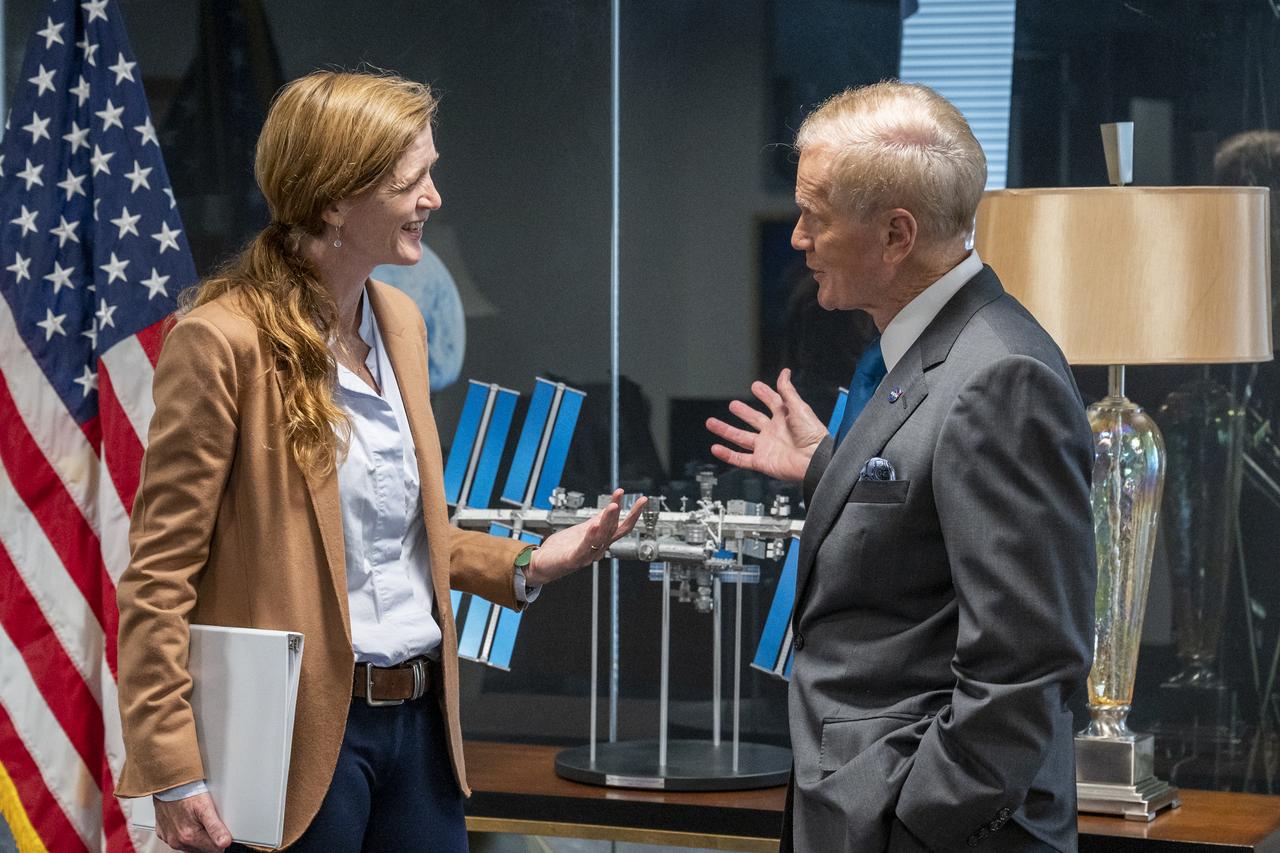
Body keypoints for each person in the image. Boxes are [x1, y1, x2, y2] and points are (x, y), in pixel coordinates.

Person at [114, 69, 646, 853]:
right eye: (411, 180)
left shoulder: (399, 319)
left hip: (422, 736)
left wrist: (529, 562)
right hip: (295, 745)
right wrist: (172, 768)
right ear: (335, 200)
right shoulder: (220, 341)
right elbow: (158, 578)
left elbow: (397, 536)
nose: (434, 197)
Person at [707, 81, 1095, 852]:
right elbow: (924, 544)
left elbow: (1026, 665)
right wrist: (831, 468)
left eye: (815, 216)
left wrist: (910, 816)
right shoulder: (922, 352)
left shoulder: (1000, 375)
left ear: (896, 234)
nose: (797, 238)